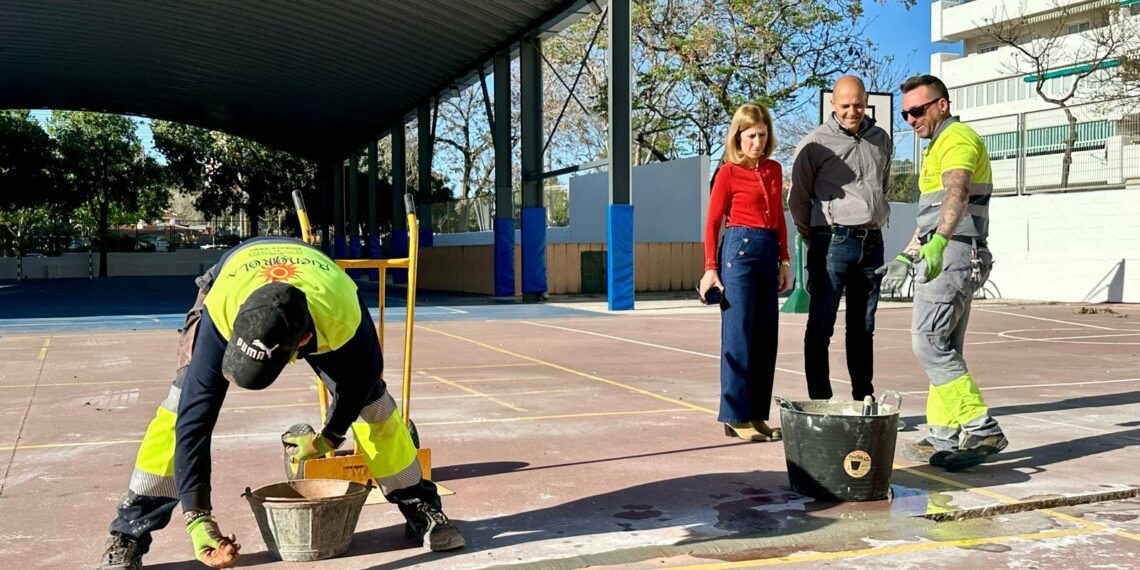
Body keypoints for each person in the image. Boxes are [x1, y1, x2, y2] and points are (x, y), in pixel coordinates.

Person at [97, 237, 464, 570]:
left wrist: (328, 439)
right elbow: (196, 420)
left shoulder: (342, 317)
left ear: (303, 341)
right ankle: (130, 531)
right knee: (178, 410)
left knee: (375, 407)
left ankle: (420, 506)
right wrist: (198, 517)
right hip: (234, 276)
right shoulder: (223, 312)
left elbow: (358, 384)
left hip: (319, 289)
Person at [882, 74, 1007, 471]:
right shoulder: (938, 145)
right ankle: (943, 433)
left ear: (942, 105)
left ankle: (979, 425)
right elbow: (934, 212)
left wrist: (938, 244)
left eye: (917, 111)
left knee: (928, 343)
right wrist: (907, 255)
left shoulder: (956, 139)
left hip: (954, 252)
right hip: (954, 251)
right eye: (905, 114)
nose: (911, 119)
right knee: (944, 347)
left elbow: (957, 192)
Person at [789, 75, 892, 406]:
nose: (853, 111)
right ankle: (820, 400)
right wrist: (816, 238)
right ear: (832, 104)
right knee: (821, 324)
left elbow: (882, 184)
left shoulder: (881, 139)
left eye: (859, 104)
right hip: (831, 241)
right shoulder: (814, 144)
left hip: (871, 243)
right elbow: (798, 199)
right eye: (845, 105)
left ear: (867, 102)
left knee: (863, 325)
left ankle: (864, 395)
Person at [699, 102, 793, 442]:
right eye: (751, 136)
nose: (757, 142)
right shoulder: (727, 172)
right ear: (738, 137)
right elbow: (712, 221)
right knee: (738, 334)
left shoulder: (774, 170)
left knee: (766, 336)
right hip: (738, 251)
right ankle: (734, 415)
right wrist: (711, 267)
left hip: (768, 251)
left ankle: (756, 415)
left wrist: (784, 260)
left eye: (763, 135)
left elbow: (780, 218)